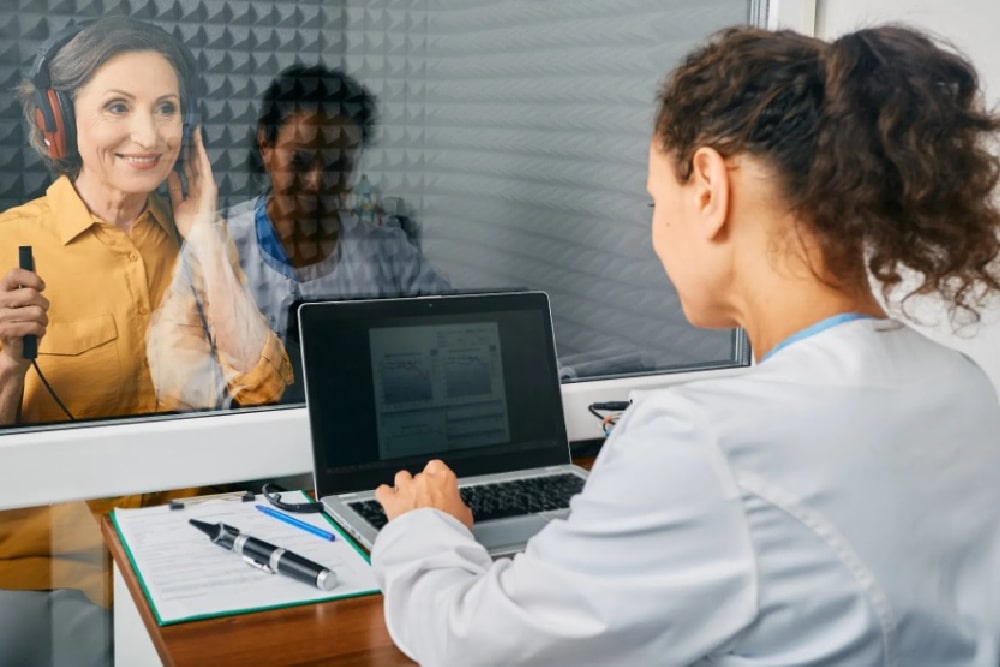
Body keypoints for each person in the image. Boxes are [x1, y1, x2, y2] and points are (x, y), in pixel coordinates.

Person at [369, 25, 1000, 666]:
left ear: (708, 188)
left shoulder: (707, 440)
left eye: (654, 201)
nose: (653, 234)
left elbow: (476, 643)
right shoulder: (960, 385)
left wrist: (426, 528)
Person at [0, 16, 291, 665]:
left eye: (167, 108)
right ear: (58, 122)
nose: (150, 134)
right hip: (51, 571)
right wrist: (5, 366)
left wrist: (205, 231)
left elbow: (266, 393)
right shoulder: (7, 248)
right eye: (117, 107)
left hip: (195, 547)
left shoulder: (193, 242)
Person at [227, 64, 451, 400]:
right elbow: (183, 377)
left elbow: (451, 328)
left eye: (337, 166)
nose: (317, 182)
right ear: (266, 146)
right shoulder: (218, 248)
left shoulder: (386, 250)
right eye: (300, 162)